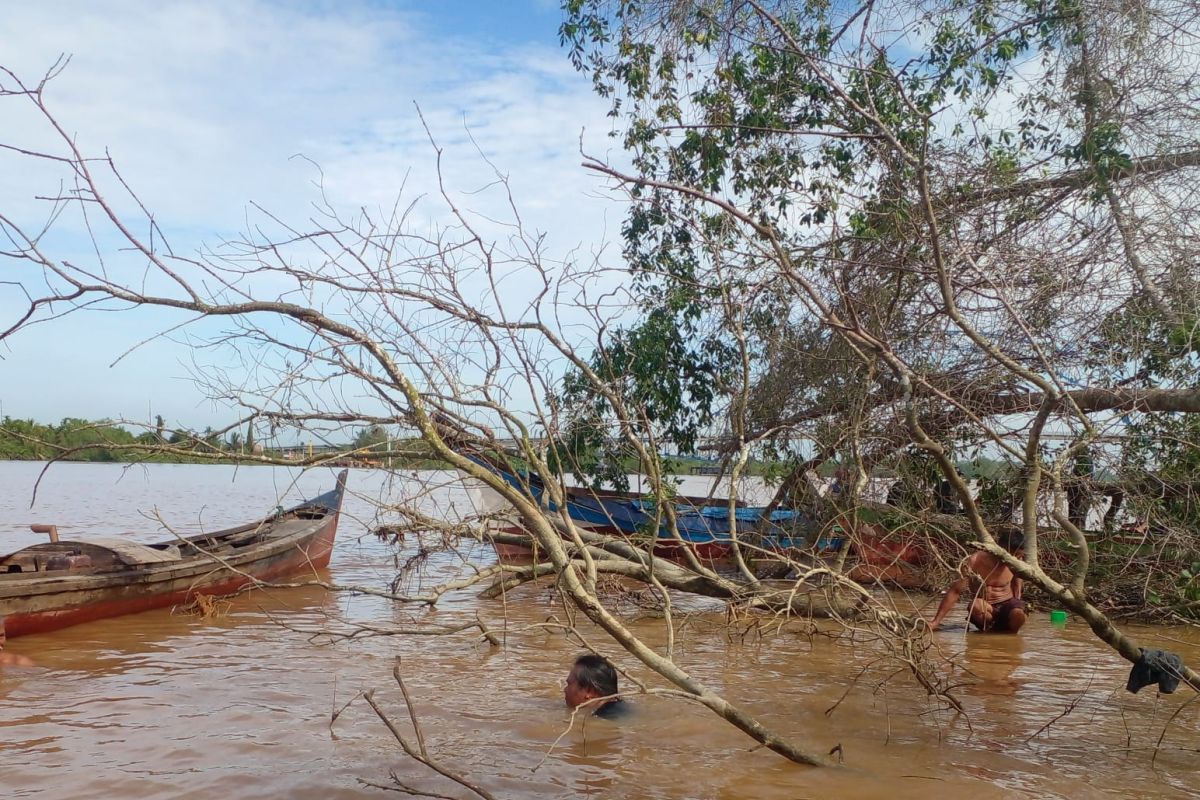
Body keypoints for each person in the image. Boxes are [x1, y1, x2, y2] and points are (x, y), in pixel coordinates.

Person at [928, 531, 1027, 633]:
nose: (1014, 559)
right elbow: (955, 591)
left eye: (1018, 556)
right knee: (975, 605)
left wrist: (1017, 603)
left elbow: (1017, 587)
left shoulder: (1017, 562)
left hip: (1006, 606)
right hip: (985, 610)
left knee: (1018, 613)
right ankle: (993, 632)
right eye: (1011, 554)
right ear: (1001, 548)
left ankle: (1010, 635)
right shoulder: (975, 560)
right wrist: (936, 621)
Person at [564, 654, 629, 719]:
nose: (565, 690)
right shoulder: (624, 708)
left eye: (569, 684)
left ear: (590, 692)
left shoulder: (604, 719)